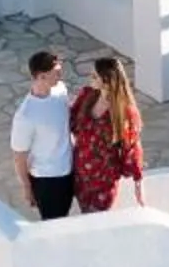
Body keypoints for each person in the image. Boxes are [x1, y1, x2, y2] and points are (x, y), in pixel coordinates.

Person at [70, 54, 146, 213]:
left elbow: (132, 147)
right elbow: (71, 121)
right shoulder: (87, 96)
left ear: (106, 80)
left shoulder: (125, 112)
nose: (90, 78)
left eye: (94, 76)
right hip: (81, 175)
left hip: (104, 180)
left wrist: (138, 183)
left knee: (98, 223)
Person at [10, 48, 75, 218]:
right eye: (56, 73)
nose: (60, 76)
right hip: (47, 181)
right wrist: (27, 187)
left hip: (70, 170)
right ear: (41, 76)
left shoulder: (60, 89)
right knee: (54, 224)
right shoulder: (26, 116)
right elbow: (19, 155)